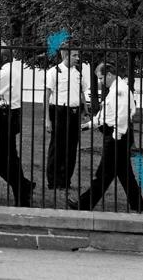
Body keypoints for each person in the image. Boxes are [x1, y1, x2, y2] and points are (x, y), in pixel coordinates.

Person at [68, 62, 143, 212]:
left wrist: (116, 136)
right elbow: (106, 114)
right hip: (118, 136)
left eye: (101, 78)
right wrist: (89, 125)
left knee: (103, 175)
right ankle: (139, 208)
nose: (100, 81)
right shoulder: (115, 89)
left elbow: (123, 115)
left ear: (109, 75)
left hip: (117, 137)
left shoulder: (120, 90)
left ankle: (83, 205)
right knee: (125, 175)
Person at [0, 48, 35, 206]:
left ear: (4, 58)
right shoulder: (12, 72)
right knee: (8, 160)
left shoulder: (4, 73)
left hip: (3, 119)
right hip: (9, 117)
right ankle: (23, 190)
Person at [44, 48, 90, 189]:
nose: (77, 58)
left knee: (71, 149)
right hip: (59, 112)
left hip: (74, 113)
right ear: (65, 55)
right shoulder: (53, 72)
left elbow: (82, 93)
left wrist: (86, 111)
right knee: (57, 147)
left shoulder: (78, 73)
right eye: (75, 55)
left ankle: (65, 181)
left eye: (78, 55)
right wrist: (47, 119)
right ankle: (53, 181)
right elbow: (46, 96)